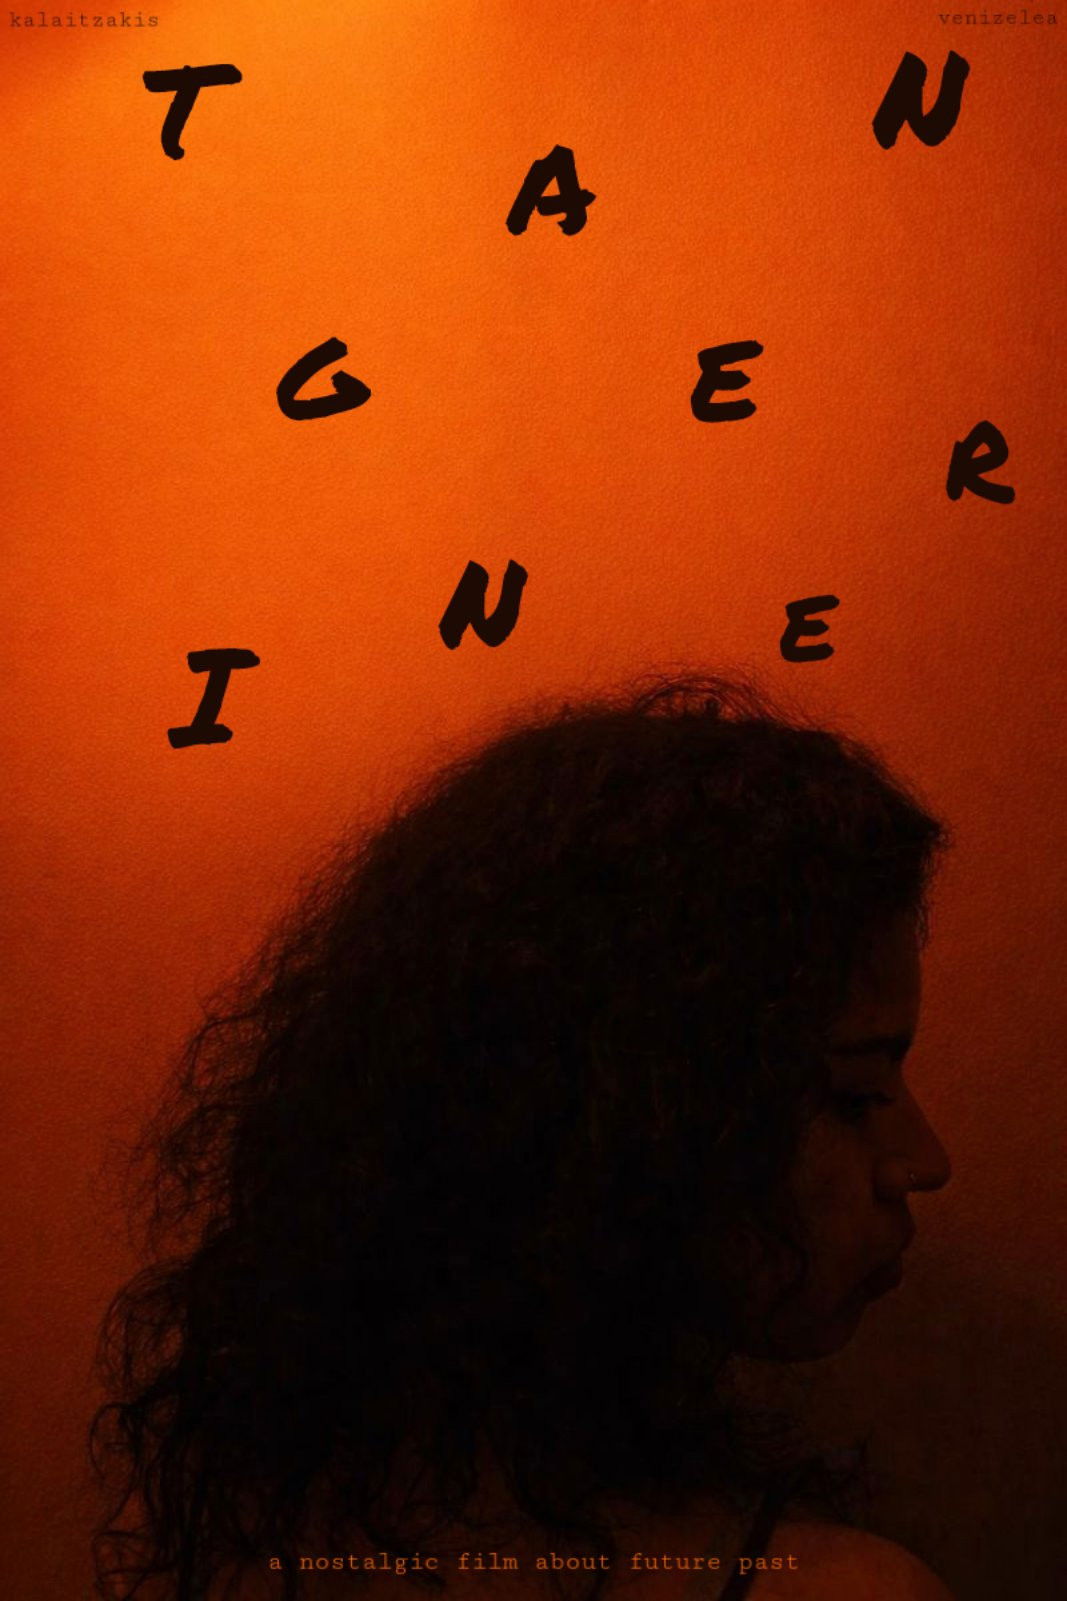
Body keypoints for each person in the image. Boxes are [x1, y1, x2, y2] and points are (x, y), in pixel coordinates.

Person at [92, 676, 954, 1600]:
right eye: (856, 1091)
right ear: (631, 1111)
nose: (924, 1161)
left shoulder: (229, 1538)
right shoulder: (839, 1590)